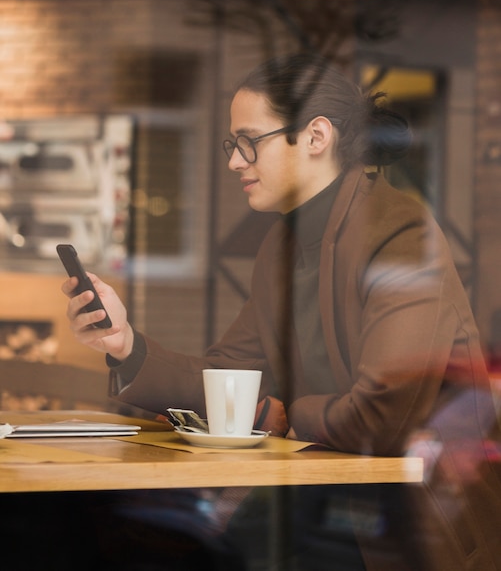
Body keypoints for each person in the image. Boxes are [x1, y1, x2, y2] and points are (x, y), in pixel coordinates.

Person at [63, 53, 501, 570]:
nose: (234, 161)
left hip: (410, 526)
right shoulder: (283, 245)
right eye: (233, 145)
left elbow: (384, 418)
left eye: (249, 141)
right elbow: (230, 379)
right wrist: (125, 346)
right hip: (328, 510)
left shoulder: (401, 233)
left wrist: (290, 414)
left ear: (316, 137)